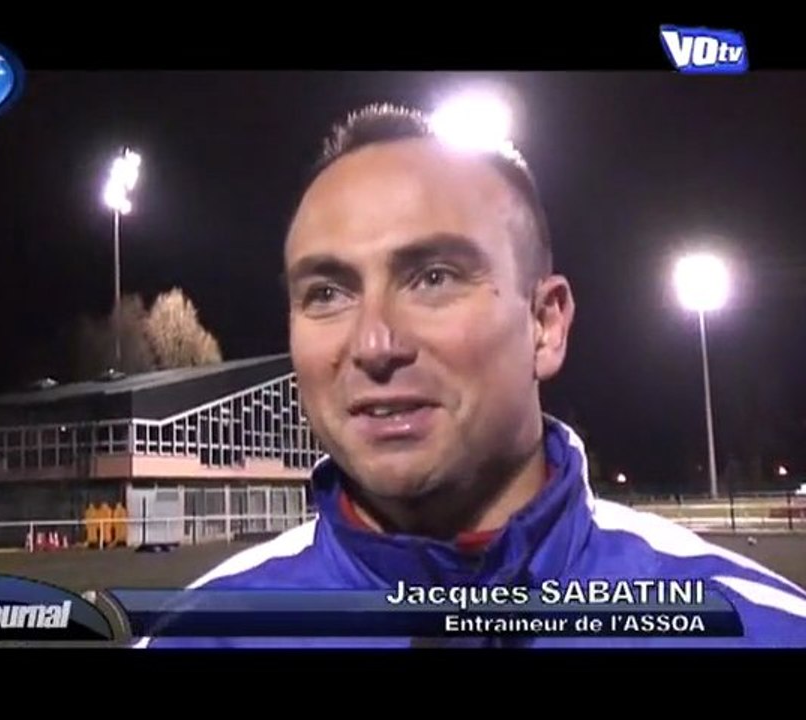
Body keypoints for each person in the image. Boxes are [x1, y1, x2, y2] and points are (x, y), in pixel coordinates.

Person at [135, 102, 806, 648]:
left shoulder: (757, 629)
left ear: (545, 323)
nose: (373, 345)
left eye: (433, 278)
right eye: (327, 293)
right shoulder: (200, 636)